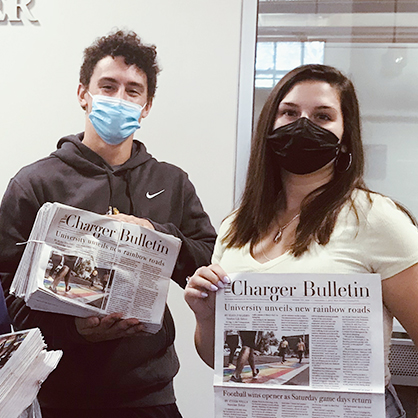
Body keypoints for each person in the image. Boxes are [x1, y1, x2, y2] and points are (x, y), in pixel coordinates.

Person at [0, 30, 216, 418]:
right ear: (83, 93)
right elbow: (7, 294)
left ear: (147, 105)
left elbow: (208, 262)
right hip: (58, 394)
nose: (119, 99)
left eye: (133, 90)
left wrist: (157, 234)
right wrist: (74, 332)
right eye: (108, 86)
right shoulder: (34, 183)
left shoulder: (172, 181)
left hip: (149, 393)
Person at [184, 64, 418, 418]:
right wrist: (206, 317)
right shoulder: (235, 228)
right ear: (270, 124)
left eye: (323, 116)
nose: (303, 124)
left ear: (345, 136)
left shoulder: (375, 216)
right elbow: (220, 359)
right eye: (290, 112)